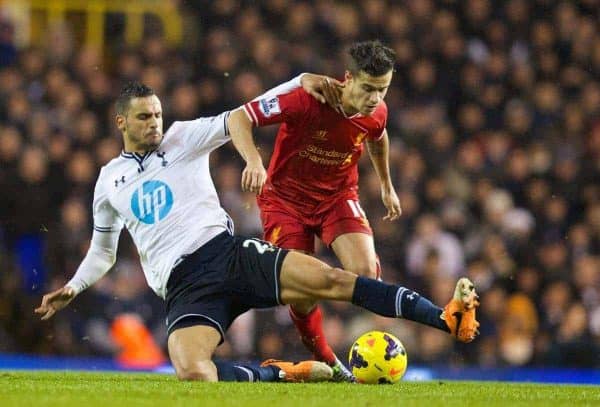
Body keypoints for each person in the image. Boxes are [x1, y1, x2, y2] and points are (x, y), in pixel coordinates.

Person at [35, 78, 480, 383]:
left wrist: (300, 82)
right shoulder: (108, 181)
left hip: (229, 255)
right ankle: (284, 373)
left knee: (333, 281)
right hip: (185, 287)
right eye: (144, 118)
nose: (154, 123)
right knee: (193, 371)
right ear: (121, 123)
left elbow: (242, 115)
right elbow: (104, 251)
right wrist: (73, 287)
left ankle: (443, 318)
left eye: (157, 114)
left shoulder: (184, 136)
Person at [227, 40, 401, 380]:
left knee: (367, 272)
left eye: (382, 90)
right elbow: (239, 117)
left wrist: (386, 185)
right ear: (348, 78)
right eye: (368, 88)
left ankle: (374, 353)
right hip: (284, 202)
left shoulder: (376, 112)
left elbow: (378, 138)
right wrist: (253, 161)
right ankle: (328, 360)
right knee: (302, 292)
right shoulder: (308, 98)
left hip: (337, 197)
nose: (375, 98)